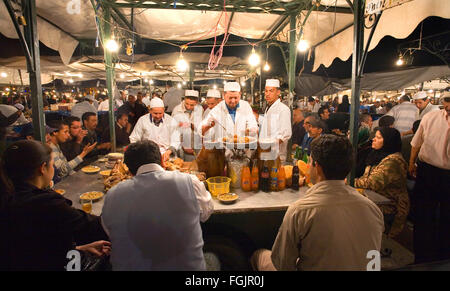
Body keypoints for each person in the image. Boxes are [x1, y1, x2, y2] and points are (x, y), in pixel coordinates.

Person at [251, 135, 384, 271]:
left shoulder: (300, 210)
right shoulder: (372, 209)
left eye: (310, 161)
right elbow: (373, 260)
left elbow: (282, 264)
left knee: (259, 255)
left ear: (317, 166)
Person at [101, 140, 213, 270]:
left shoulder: (113, 195)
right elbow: (205, 214)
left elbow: (109, 229)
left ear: (129, 169)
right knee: (212, 258)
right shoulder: (189, 182)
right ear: (162, 160)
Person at [0, 140, 110, 271]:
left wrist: (77, 248)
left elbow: (33, 247)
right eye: (52, 164)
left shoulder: (9, 195)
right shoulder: (45, 203)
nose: (53, 168)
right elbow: (95, 228)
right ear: (42, 168)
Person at [408, 92, 450, 264]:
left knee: (447, 217)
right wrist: (411, 163)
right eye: (446, 103)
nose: (446, 106)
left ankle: (443, 256)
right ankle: (422, 255)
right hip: (428, 171)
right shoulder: (431, 117)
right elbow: (416, 143)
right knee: (424, 213)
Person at [355, 127, 409, 238]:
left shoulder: (393, 161)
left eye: (378, 137)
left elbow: (373, 183)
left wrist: (350, 182)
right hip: (372, 198)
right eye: (375, 136)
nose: (373, 139)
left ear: (388, 141)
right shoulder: (377, 156)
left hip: (388, 203)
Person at [129, 97, 180, 162]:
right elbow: (134, 138)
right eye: (155, 113)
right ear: (149, 110)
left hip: (167, 156)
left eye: (160, 113)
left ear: (164, 110)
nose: (158, 116)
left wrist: (169, 151)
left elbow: (177, 140)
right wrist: (141, 151)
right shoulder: (142, 120)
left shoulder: (171, 120)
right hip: (147, 156)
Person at [258, 79, 292, 161]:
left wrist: (268, 145)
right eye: (266, 91)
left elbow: (285, 134)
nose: (267, 94)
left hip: (276, 156)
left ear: (278, 92)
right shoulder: (268, 108)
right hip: (265, 153)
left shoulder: (283, 109)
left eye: (271, 91)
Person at [172, 90, 204, 161]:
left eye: (192, 105)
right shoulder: (177, 110)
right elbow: (174, 131)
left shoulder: (200, 109)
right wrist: (184, 145)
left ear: (197, 103)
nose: (189, 107)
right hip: (182, 146)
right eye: (187, 104)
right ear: (184, 99)